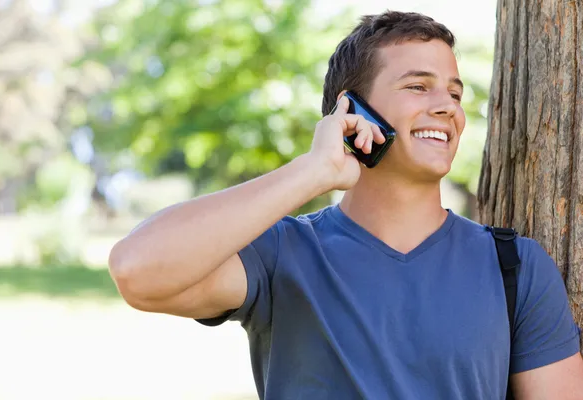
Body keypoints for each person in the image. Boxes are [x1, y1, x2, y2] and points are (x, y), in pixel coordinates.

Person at [108, 10, 583, 400]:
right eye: (419, 87)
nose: (448, 106)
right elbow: (136, 269)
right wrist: (314, 171)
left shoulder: (515, 266)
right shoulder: (280, 254)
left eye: (455, 92)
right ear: (351, 112)